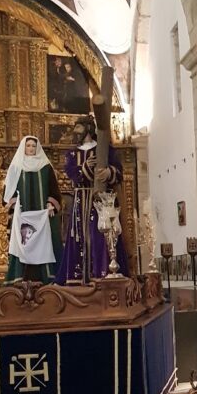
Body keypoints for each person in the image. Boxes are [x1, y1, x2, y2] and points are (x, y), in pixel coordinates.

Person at [55, 115, 128, 284]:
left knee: (101, 235)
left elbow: (119, 171)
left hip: (101, 200)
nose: (75, 132)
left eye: (78, 128)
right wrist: (86, 168)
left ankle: (103, 272)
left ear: (88, 128)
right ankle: (78, 277)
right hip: (81, 199)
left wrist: (108, 173)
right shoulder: (73, 153)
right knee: (80, 235)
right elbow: (72, 173)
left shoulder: (105, 149)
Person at [3, 136, 63, 283]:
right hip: (23, 215)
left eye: (33, 146)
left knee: (45, 243)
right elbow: (8, 191)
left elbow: (54, 190)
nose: (30, 149)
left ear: (37, 148)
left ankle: (47, 275)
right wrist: (13, 202)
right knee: (24, 242)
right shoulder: (17, 167)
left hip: (43, 216)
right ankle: (21, 276)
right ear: (24, 147)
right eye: (28, 146)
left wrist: (51, 204)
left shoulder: (45, 167)